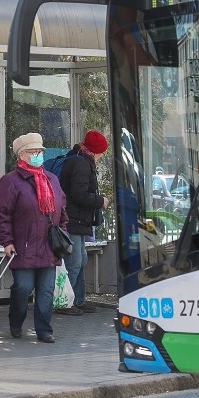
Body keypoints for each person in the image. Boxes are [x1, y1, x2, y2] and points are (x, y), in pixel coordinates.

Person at [0, 132, 68, 343]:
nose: (37, 155)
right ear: (21, 155)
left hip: (49, 245)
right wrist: (6, 241)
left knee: (46, 291)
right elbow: (3, 214)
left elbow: (62, 210)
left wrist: (62, 233)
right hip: (23, 246)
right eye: (32, 152)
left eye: (39, 151)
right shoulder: (11, 181)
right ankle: (16, 321)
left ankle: (44, 330)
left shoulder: (52, 179)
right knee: (23, 288)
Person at [58, 130, 110, 315]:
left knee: (81, 260)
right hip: (72, 219)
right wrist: (100, 200)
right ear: (95, 151)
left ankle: (78, 300)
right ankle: (66, 303)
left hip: (79, 219)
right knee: (75, 262)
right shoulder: (81, 163)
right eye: (102, 152)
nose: (103, 156)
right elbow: (79, 194)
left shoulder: (81, 159)